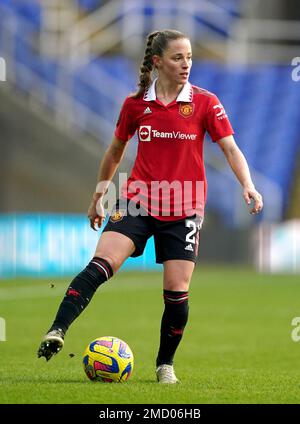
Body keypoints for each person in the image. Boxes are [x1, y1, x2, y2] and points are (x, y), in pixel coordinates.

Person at [37, 29, 263, 383]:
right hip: (136, 199)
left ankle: (164, 365)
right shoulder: (135, 105)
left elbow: (230, 148)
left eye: (189, 57)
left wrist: (248, 186)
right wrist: (99, 196)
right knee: (101, 265)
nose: (186, 64)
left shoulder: (205, 102)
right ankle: (57, 330)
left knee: (175, 291)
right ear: (157, 62)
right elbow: (115, 151)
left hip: (185, 206)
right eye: (177, 58)